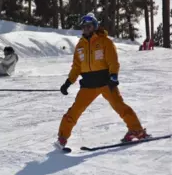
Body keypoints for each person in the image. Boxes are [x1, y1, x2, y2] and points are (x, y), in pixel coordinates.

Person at [54, 13, 150, 149]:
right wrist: (68, 82)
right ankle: (62, 138)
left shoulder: (104, 41)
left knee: (119, 106)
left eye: (89, 26)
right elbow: (76, 67)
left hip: (106, 83)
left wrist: (113, 77)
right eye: (84, 26)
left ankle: (137, 131)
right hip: (88, 85)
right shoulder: (80, 46)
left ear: (94, 26)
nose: (86, 29)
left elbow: (113, 61)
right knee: (74, 111)